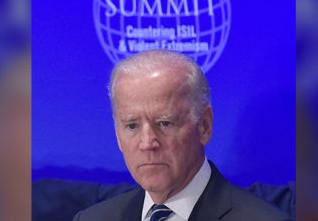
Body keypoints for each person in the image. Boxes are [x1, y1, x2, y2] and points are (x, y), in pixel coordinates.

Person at [73, 50, 290, 221]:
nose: (147, 143)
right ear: (117, 135)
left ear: (204, 125)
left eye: (164, 123)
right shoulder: (92, 219)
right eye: (132, 126)